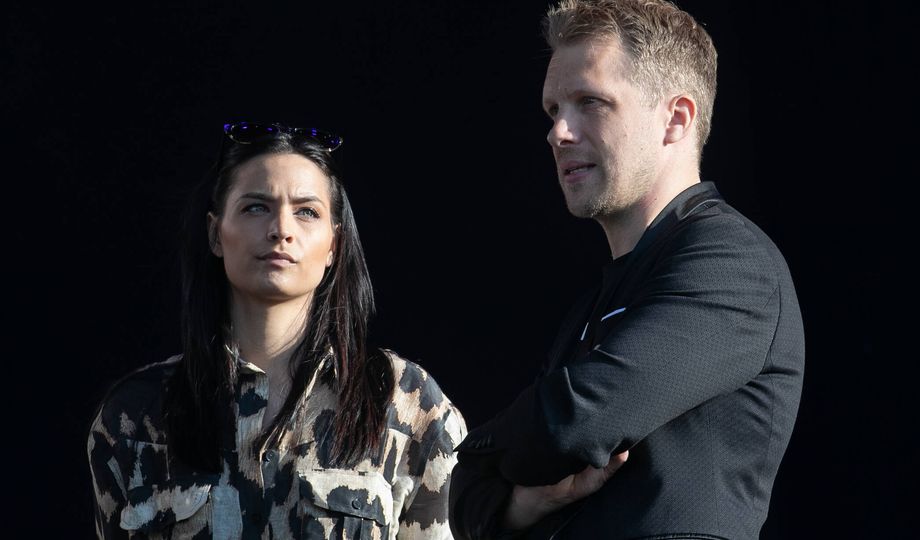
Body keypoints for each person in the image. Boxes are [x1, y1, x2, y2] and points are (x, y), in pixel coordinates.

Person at [449, 1, 804, 538]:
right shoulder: (593, 304)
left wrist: (479, 454)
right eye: (553, 109)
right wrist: (519, 501)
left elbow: (573, 421)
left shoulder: (734, 263)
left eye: (590, 102)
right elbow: (468, 503)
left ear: (676, 119)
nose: (558, 132)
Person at [87, 121, 466, 539]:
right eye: (256, 207)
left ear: (334, 245)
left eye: (307, 212)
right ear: (215, 233)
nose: (281, 229)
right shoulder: (137, 415)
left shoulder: (405, 403)